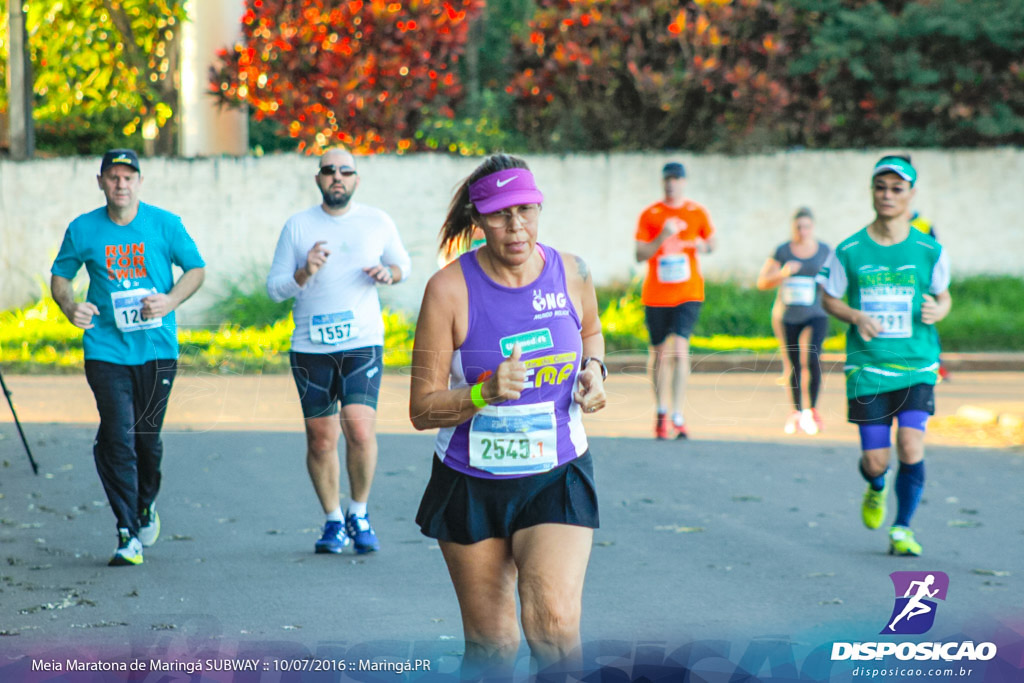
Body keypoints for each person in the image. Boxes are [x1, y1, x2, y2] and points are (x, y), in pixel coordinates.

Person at [410, 154, 606, 678]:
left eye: (526, 210)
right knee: (493, 647)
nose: (515, 226)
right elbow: (422, 408)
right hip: (471, 482)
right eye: (500, 214)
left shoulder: (573, 270)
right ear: (478, 219)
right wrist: (481, 393)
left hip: (555, 473)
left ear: (539, 208)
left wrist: (594, 370)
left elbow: (589, 329)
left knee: (555, 625)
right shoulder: (447, 290)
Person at [50, 149, 206, 566]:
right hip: (106, 349)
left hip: (156, 350)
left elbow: (195, 269)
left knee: (146, 439)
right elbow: (61, 278)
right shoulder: (83, 229)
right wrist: (70, 308)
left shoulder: (165, 224)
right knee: (117, 435)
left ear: (140, 181)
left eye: (128, 177)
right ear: (100, 181)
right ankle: (127, 532)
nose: (121, 184)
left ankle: (145, 505)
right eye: (113, 177)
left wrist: (170, 301)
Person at [267, 147, 411, 555]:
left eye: (345, 171)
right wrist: (305, 271)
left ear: (356, 180)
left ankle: (359, 513)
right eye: (329, 170)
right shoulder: (298, 227)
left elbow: (403, 265)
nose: (337, 177)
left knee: (360, 428)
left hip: (362, 343)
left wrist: (389, 273)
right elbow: (274, 287)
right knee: (321, 439)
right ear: (318, 179)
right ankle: (333, 521)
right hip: (311, 347)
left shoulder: (376, 221)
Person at [817, 155, 952, 556]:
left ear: (911, 194)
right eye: (881, 187)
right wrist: (855, 314)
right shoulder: (850, 249)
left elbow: (943, 297)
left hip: (917, 365)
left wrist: (939, 310)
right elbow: (828, 297)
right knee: (876, 461)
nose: (888, 195)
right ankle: (876, 486)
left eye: (897, 189)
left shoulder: (930, 249)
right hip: (867, 369)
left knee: (911, 445)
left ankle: (902, 528)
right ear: (873, 192)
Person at [634, 161, 717, 440]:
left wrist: (702, 246)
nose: (672, 183)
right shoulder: (651, 214)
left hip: (688, 292)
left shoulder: (696, 212)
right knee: (659, 353)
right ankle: (661, 411)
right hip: (657, 294)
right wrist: (663, 236)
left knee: (680, 349)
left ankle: (679, 415)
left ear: (684, 182)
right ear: (663, 182)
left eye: (676, 179)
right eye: (667, 179)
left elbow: (712, 243)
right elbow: (640, 253)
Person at [756, 207, 831, 435]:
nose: (802, 231)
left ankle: (813, 411)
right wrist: (783, 274)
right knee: (793, 362)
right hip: (787, 315)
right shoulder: (782, 251)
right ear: (793, 228)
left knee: (813, 357)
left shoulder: (825, 251)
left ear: (813, 228)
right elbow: (762, 281)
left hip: (816, 313)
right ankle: (796, 412)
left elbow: (837, 278)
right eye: (798, 227)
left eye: (806, 226)